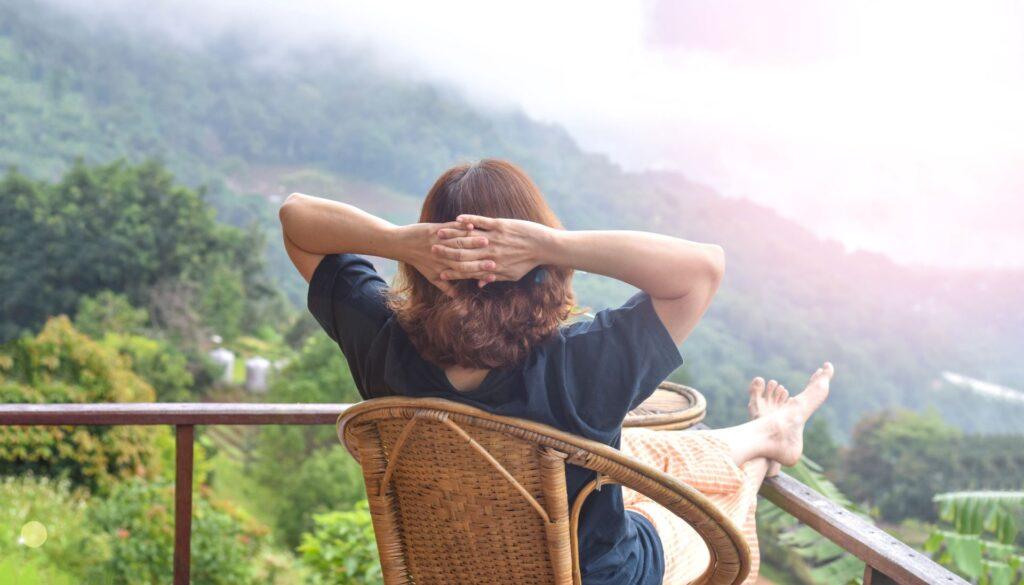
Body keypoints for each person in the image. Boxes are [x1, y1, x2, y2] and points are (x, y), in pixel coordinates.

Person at [279, 159, 834, 584]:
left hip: (451, 569)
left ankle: (767, 433)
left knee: (639, 456)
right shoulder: (580, 364)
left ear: (429, 256)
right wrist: (550, 244)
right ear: (533, 262)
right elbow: (703, 268)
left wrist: (397, 241)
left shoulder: (382, 340)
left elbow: (296, 219)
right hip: (601, 575)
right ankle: (765, 450)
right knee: (704, 493)